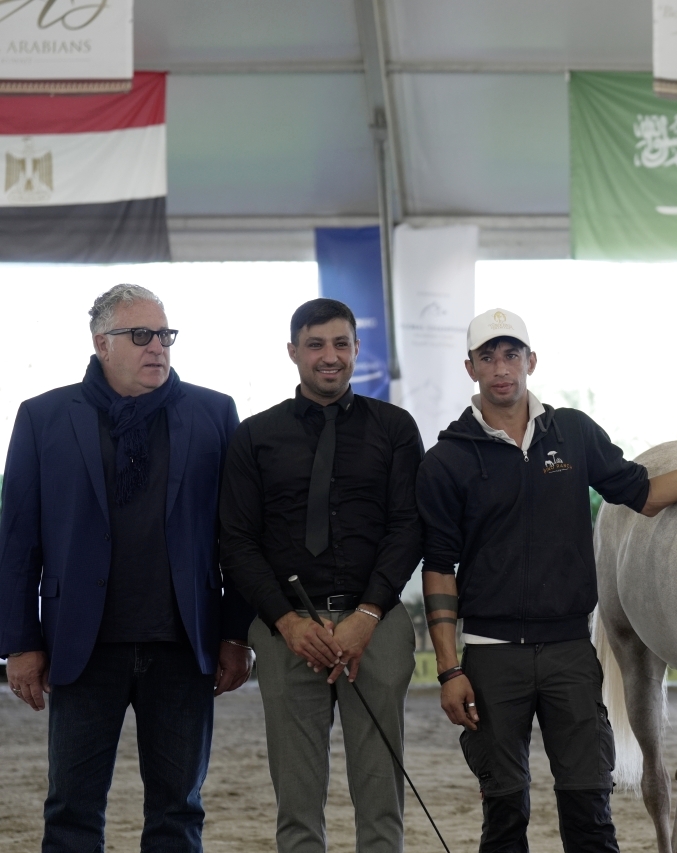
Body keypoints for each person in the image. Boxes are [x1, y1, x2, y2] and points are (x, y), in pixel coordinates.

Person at [416, 308, 677, 853]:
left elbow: (645, 494)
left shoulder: (574, 433)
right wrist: (448, 670)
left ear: (531, 361)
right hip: (490, 656)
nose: (501, 368)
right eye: (488, 357)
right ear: (470, 368)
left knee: (591, 814)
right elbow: (438, 566)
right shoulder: (446, 459)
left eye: (511, 355)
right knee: (504, 815)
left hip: (569, 654)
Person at [0, 284, 254, 852]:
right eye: (141, 335)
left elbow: (236, 539)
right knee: (71, 808)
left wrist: (236, 634)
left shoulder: (214, 413)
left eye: (164, 335)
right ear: (101, 344)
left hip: (182, 645)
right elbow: (18, 542)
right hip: (81, 646)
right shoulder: (42, 417)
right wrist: (19, 643)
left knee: (178, 809)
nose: (157, 347)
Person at [219, 298, 424, 853]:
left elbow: (408, 528)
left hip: (376, 627)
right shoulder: (253, 437)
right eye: (315, 344)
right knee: (297, 797)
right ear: (293, 352)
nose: (328, 356)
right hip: (289, 633)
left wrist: (367, 615)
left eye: (340, 344)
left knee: (381, 794)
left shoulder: (396, 429)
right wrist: (285, 623)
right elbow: (236, 541)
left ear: (357, 349)